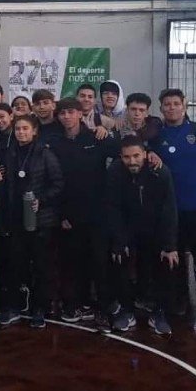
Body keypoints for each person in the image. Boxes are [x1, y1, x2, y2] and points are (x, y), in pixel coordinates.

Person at [49, 97, 119, 330]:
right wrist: (62, 215)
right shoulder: (55, 144)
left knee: (100, 263)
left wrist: (108, 133)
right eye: (62, 113)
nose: (67, 116)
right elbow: (54, 181)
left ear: (80, 114)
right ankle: (75, 305)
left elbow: (124, 152)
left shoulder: (96, 137)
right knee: (72, 264)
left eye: (71, 112)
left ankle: (103, 310)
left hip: (98, 214)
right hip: (69, 216)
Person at [151, 89, 196, 321]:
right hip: (171, 209)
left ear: (184, 106)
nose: (171, 107)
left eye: (176, 103)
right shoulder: (156, 136)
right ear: (161, 108)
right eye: (167, 104)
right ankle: (179, 299)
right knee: (174, 256)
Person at [0, 115, 63, 329]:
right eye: (18, 129)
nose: (21, 132)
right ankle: (14, 307)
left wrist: (42, 200)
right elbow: (2, 181)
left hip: (41, 221)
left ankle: (39, 309)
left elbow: (58, 184)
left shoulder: (45, 154)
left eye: (25, 128)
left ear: (34, 131)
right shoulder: (8, 153)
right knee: (15, 265)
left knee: (41, 266)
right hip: (15, 219)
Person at [105, 136, 179, 335]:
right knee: (119, 259)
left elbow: (169, 209)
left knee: (167, 262)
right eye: (127, 157)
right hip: (128, 228)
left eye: (136, 156)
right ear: (120, 157)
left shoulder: (160, 172)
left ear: (145, 155)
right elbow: (113, 208)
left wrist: (169, 245)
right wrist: (119, 241)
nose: (132, 161)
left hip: (155, 229)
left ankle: (159, 313)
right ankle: (127, 311)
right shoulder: (114, 172)